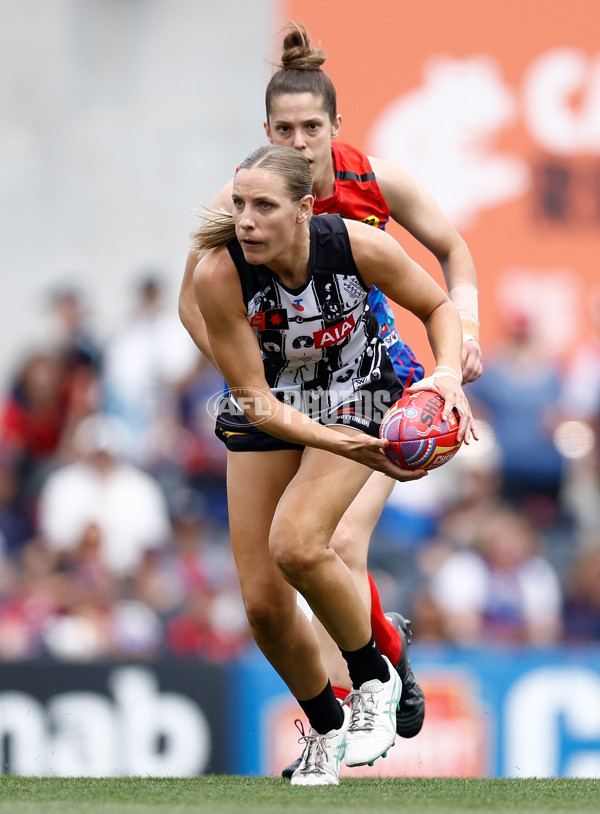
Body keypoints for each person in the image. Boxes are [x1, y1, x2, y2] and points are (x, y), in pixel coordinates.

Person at [178, 21, 483, 778]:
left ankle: (381, 674)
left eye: (312, 126)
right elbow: (200, 313)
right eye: (284, 128)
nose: (300, 140)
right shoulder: (234, 224)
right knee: (263, 603)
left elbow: (445, 277)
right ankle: (326, 721)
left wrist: (449, 366)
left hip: (365, 381)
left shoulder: (363, 218)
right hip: (277, 392)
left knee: (317, 543)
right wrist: (250, 373)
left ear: (335, 130)